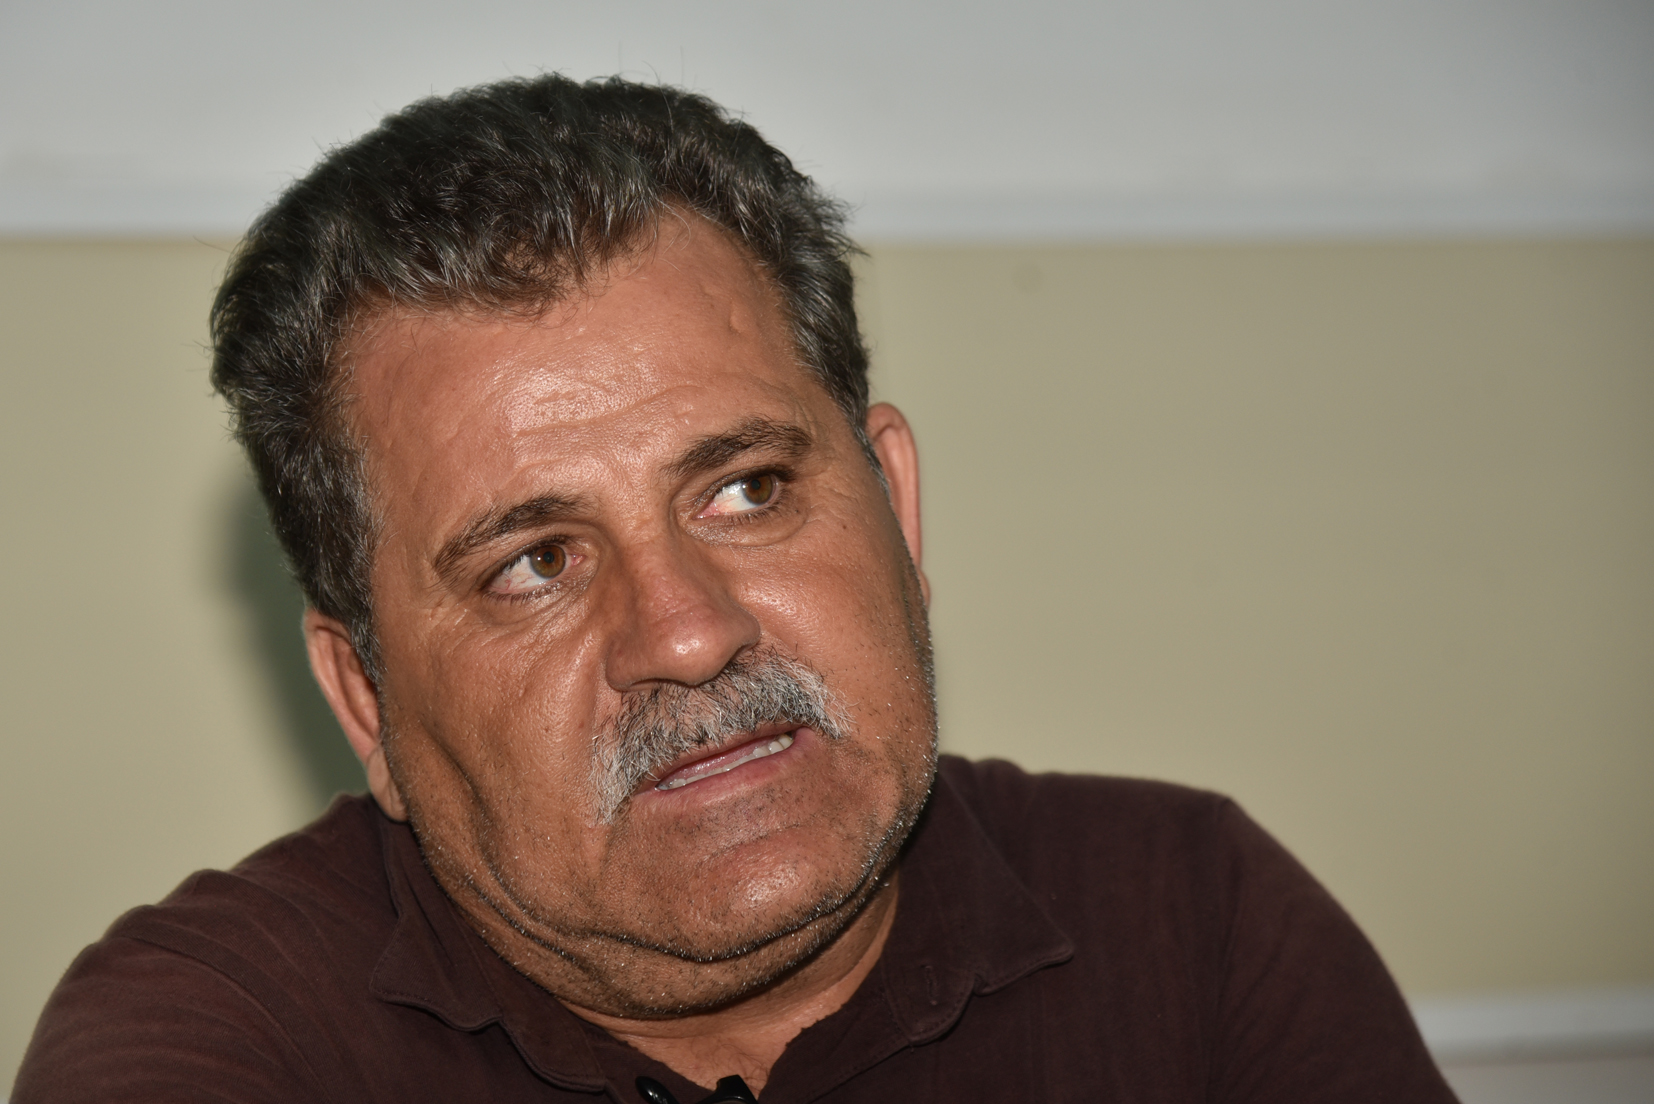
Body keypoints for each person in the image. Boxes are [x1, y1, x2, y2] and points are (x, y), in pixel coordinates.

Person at [13, 75, 1457, 1103]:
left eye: (747, 490)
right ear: (365, 697)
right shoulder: (222, 1041)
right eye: (533, 563)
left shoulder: (1193, 923)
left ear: (894, 507)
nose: (691, 634)